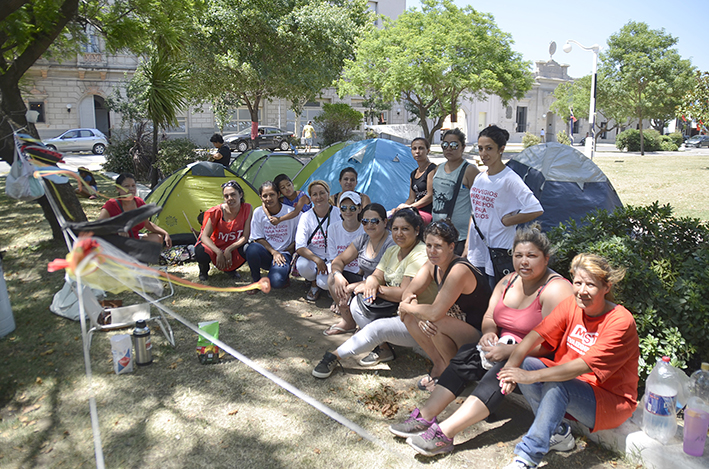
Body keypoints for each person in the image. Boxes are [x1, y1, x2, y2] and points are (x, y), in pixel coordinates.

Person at [390, 224, 573, 457]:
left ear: (546, 259)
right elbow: (489, 316)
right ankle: (425, 415)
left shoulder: (556, 289)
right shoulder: (509, 281)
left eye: (531, 256)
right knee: (467, 355)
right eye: (518, 255)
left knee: (502, 370)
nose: (523, 262)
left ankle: (446, 432)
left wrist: (509, 352)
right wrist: (488, 333)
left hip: (537, 358)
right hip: (501, 347)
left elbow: (551, 344)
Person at [498, 253, 638, 469]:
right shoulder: (572, 304)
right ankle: (558, 434)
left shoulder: (621, 320)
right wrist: (510, 369)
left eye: (590, 285)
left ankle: (526, 457)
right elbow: (533, 337)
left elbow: (581, 367)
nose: (582, 290)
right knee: (526, 362)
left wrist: (530, 377)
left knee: (556, 382)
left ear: (606, 287)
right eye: (578, 282)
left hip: (609, 400)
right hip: (571, 383)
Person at [312, 209, 437, 378]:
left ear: (417, 231)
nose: (399, 233)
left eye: (405, 229)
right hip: (399, 312)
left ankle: (334, 356)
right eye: (396, 229)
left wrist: (373, 287)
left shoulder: (420, 254)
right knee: (357, 302)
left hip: (418, 321)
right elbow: (378, 275)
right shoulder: (393, 251)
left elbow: (404, 293)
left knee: (377, 327)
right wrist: (370, 281)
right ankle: (384, 349)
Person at [398, 219, 492, 390]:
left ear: (451, 247)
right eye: (428, 245)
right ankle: (440, 364)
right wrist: (414, 311)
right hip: (452, 328)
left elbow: (434, 313)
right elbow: (408, 292)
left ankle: (455, 377)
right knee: (410, 317)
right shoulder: (431, 266)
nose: (432, 251)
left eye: (438, 246)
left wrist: (410, 308)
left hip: (478, 336)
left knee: (434, 320)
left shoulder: (459, 270)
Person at [468, 125, 543, 290]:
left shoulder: (509, 179)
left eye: (489, 148)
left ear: (501, 149)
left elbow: (535, 208)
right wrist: (467, 245)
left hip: (499, 250)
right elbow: (475, 213)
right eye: (480, 148)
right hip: (477, 249)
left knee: (497, 298)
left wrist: (508, 220)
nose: (483, 154)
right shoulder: (480, 177)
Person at [324, 203, 394, 336]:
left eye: (374, 221)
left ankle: (368, 329)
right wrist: (338, 275)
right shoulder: (363, 239)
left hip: (381, 288)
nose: (369, 225)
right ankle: (348, 322)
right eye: (365, 221)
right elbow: (339, 260)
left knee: (356, 290)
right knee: (332, 278)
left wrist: (350, 288)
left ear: (385, 222)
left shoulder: (391, 243)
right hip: (363, 283)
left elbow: (383, 279)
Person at [244, 181, 300, 291]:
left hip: (284, 254)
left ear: (278, 195)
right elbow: (257, 237)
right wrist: (274, 252)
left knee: (276, 282)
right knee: (250, 248)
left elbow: (302, 233)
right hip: (267, 252)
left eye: (272, 194)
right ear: (260, 197)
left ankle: (282, 274)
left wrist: (292, 247)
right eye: (265, 196)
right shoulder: (258, 212)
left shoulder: (291, 212)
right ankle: (256, 281)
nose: (268, 198)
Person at [431, 128, 479, 255]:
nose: (448, 148)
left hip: (460, 237)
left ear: (463, 147)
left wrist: (468, 244)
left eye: (454, 145)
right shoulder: (438, 168)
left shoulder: (470, 170)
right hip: (438, 233)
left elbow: (478, 207)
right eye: (445, 145)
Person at [194, 180, 252, 281]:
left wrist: (228, 249)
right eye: (226, 196)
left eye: (233, 194)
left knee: (249, 249)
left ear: (241, 194)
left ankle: (230, 269)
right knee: (200, 250)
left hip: (233, 246)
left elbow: (245, 237)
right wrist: (219, 252)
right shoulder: (216, 211)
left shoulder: (247, 208)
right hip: (215, 246)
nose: (230, 199)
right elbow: (204, 236)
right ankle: (203, 270)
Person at [98, 173, 172, 248]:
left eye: (133, 186)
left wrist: (165, 233)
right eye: (126, 186)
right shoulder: (111, 204)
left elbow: (147, 224)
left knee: (157, 238)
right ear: (118, 188)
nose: (131, 189)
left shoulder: (139, 203)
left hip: (134, 240)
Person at [295, 180, 340, 302]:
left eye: (322, 193)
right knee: (302, 265)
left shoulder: (338, 213)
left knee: (325, 283)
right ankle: (313, 283)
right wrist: (317, 259)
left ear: (328, 193)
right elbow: (299, 246)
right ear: (311, 197)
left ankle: (324, 285)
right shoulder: (306, 216)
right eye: (314, 194)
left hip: (333, 258)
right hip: (313, 257)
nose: (318, 197)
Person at [325, 191, 365, 310]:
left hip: (359, 273)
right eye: (344, 208)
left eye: (352, 208)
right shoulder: (333, 228)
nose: (348, 211)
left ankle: (349, 300)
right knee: (332, 277)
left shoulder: (366, 228)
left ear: (359, 209)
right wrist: (339, 276)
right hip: (341, 271)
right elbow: (333, 258)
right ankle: (341, 304)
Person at [392, 137, 436, 224]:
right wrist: (400, 208)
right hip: (416, 210)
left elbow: (430, 196)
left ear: (428, 151)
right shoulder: (413, 173)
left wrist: (410, 207)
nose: (417, 152)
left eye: (421, 148)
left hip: (428, 212)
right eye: (414, 148)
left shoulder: (432, 169)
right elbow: (412, 197)